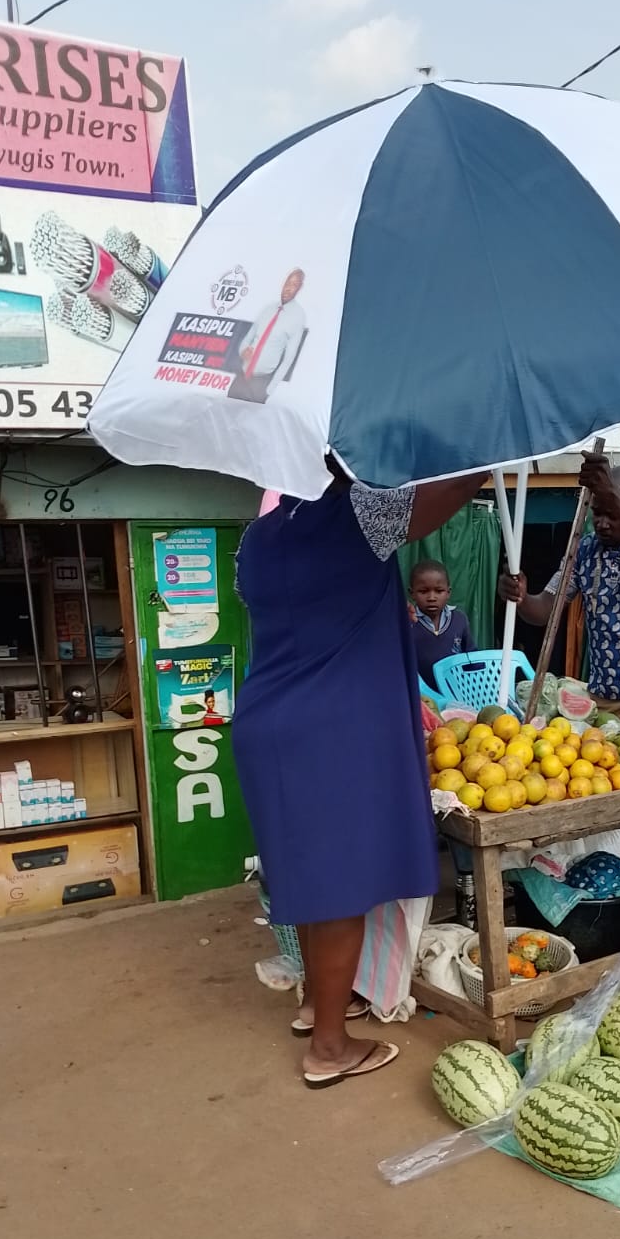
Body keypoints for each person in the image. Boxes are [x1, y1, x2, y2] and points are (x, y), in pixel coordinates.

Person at [233, 458, 484, 1088]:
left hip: (270, 719)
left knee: (310, 873)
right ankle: (329, 1048)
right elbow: (455, 487)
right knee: (341, 882)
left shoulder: (257, 537)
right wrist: (492, 451)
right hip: (332, 723)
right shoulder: (359, 510)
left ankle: (321, 1002)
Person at [497, 452, 620, 729]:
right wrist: (521, 597)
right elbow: (544, 612)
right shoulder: (583, 550)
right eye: (597, 513)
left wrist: (610, 490)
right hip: (605, 697)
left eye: (613, 515)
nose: (602, 523)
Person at [228, 269, 307, 404]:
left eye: (294, 285)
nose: (288, 288)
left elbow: (288, 359)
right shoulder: (268, 309)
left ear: (299, 288)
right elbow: (248, 338)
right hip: (241, 376)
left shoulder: (298, 316)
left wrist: (269, 390)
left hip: (261, 383)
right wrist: (243, 351)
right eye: (288, 283)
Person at [409, 559, 474, 690]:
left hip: (456, 691)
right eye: (423, 591)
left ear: (448, 592)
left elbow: (471, 656)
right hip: (421, 694)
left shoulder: (459, 619)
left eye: (439, 591)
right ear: (412, 594)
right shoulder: (408, 623)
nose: (432, 597)